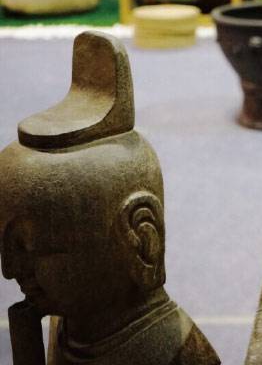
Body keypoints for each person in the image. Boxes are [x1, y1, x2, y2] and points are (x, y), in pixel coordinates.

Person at [0, 32, 219, 365]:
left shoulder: (173, 350)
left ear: (142, 240)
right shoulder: (66, 324)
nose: (10, 270)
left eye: (31, 247)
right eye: (6, 247)